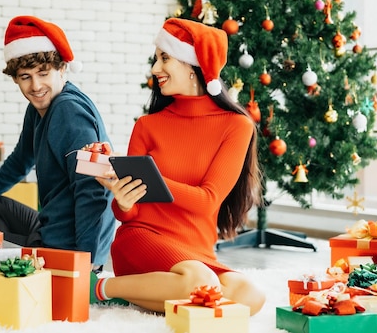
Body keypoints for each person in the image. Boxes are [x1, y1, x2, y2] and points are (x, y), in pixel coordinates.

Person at [93, 18, 266, 314]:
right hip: (141, 239)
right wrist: (122, 200)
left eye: (164, 58)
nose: (155, 69)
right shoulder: (148, 125)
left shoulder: (237, 126)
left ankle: (151, 292)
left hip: (193, 248)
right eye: (155, 59)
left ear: (192, 65)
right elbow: (128, 214)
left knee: (251, 297)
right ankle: (99, 288)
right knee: (203, 286)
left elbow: (208, 200)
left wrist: (151, 178)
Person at [0, 15, 115, 271]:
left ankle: (11, 266)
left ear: (62, 69)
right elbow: (20, 160)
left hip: (67, 245)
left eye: (43, 73)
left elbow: (93, 190)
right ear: (15, 79)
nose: (36, 86)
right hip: (52, 225)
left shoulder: (68, 112)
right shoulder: (39, 108)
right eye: (25, 77)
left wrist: (87, 263)